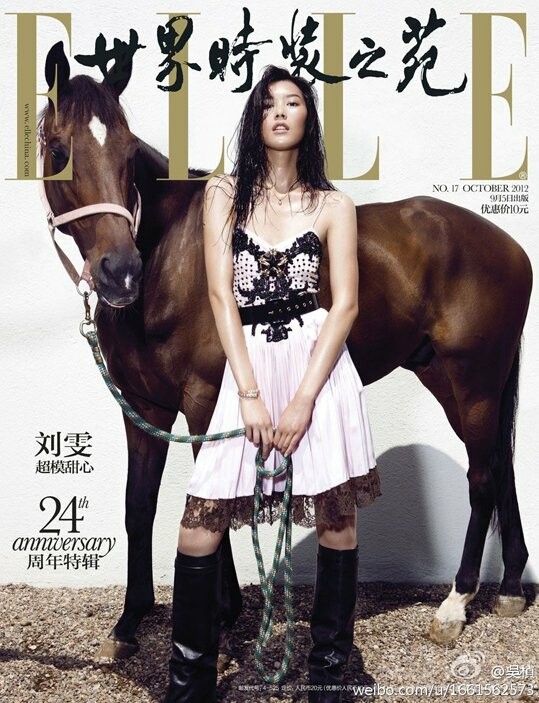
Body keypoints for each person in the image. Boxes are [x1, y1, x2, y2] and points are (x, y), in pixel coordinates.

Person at [164, 65, 380, 703]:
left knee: (337, 520)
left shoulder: (334, 205)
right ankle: (190, 684)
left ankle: (328, 678)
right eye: (268, 105)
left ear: (309, 118)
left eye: (293, 102)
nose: (280, 112)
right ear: (254, 120)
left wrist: (304, 399)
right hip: (251, 368)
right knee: (200, 523)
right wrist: (251, 395)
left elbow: (344, 305)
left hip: (318, 371)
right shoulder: (224, 195)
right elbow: (219, 296)